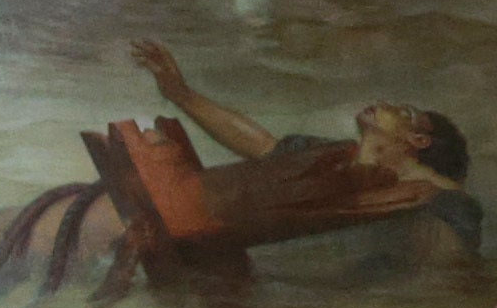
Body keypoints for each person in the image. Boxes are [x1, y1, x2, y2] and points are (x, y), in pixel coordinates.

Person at [128, 40, 480, 253]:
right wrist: (180, 93)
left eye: (403, 112)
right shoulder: (333, 158)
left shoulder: (444, 202)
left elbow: (450, 259)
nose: (385, 102)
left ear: (417, 141)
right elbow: (262, 145)